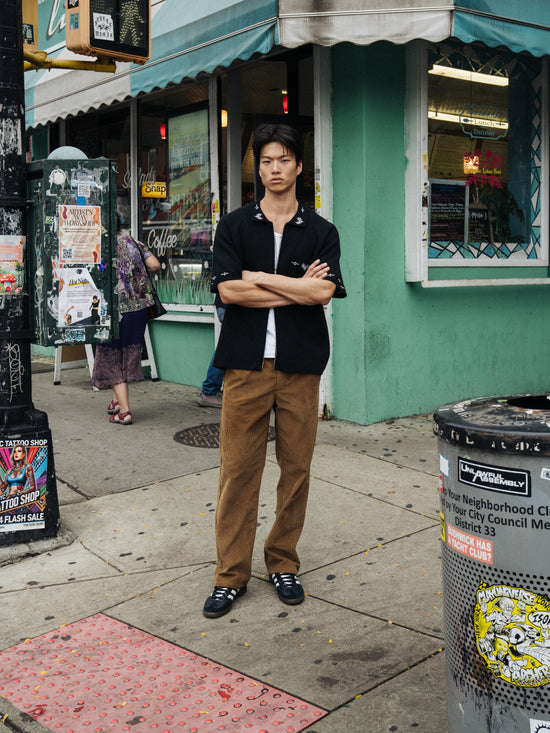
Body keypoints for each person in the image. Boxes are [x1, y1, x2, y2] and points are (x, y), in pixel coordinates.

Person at [203, 123, 346, 618]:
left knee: (296, 470)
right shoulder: (235, 226)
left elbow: (323, 294)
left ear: (299, 166)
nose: (275, 168)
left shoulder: (322, 231)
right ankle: (230, 575)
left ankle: (283, 561)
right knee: (238, 471)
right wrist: (294, 286)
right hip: (245, 366)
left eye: (284, 159)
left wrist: (261, 277)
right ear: (258, 168)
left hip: (300, 368)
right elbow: (228, 292)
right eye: (266, 161)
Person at [91, 214, 160, 425]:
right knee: (127, 354)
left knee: (111, 358)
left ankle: (125, 411)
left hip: (114, 310)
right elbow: (155, 265)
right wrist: (134, 275)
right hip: (139, 308)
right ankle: (116, 401)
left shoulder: (99, 245)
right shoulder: (134, 242)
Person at [197, 297, 225, 408]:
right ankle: (210, 392)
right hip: (233, 306)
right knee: (227, 348)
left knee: (228, 347)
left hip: (228, 305)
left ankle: (210, 391)